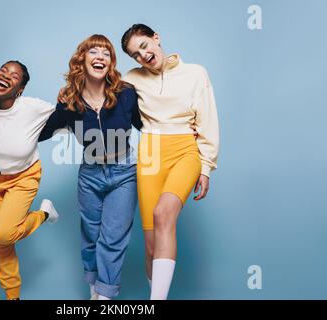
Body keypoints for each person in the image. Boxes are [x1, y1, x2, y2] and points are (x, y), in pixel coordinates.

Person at [39, 34, 142, 300]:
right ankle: (94, 290)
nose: (100, 57)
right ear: (82, 60)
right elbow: (43, 131)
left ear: (111, 62)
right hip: (90, 174)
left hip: (124, 173)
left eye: (106, 53)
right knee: (91, 236)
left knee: (113, 238)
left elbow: (149, 124)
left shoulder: (126, 93)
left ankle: (105, 298)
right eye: (93, 52)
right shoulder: (69, 100)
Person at [121, 24, 220, 300]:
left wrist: (206, 166)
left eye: (144, 46)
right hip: (150, 153)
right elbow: (105, 98)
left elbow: (208, 120)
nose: (143, 56)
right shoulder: (132, 78)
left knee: (163, 214)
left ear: (156, 38)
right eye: (135, 55)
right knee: (151, 245)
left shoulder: (195, 73)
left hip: (185, 151)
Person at [0, 60, 59, 300]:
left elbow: (65, 115)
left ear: (19, 89)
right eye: (3, 70)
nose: (6, 75)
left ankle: (43, 214)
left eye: (14, 75)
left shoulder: (31, 108)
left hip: (23, 177)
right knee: (3, 242)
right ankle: (13, 296)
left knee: (3, 234)